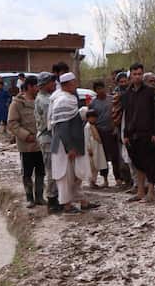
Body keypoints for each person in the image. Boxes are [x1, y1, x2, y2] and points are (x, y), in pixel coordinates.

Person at [120, 63, 155, 203]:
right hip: (134, 135)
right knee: (138, 163)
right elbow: (127, 115)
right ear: (131, 75)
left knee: (151, 164)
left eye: (140, 74)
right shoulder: (127, 94)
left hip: (149, 133)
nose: (137, 76)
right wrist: (126, 135)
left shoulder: (150, 91)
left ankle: (150, 192)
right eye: (135, 74)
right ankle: (140, 191)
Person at [48, 72, 93, 215]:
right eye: (73, 82)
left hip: (65, 142)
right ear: (66, 85)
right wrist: (70, 148)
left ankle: (82, 201)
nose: (76, 85)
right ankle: (67, 205)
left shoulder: (64, 97)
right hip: (63, 145)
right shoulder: (62, 100)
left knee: (76, 173)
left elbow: (71, 119)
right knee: (64, 175)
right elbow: (61, 126)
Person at [7, 75, 44, 207]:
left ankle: (39, 197)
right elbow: (12, 123)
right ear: (29, 87)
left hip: (41, 143)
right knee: (27, 172)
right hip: (26, 145)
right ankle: (30, 198)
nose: (38, 89)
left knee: (41, 171)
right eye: (36, 87)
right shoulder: (17, 103)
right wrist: (26, 135)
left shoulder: (40, 101)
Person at [88, 80, 125, 187]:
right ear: (95, 91)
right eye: (98, 89)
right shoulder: (93, 103)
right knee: (102, 157)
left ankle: (118, 178)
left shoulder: (111, 99)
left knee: (115, 156)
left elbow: (117, 113)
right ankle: (105, 179)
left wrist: (115, 127)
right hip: (100, 132)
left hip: (112, 130)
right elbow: (91, 120)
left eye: (102, 88)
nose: (101, 91)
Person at [34, 71, 59, 212]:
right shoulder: (45, 101)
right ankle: (52, 200)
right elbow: (50, 123)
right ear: (44, 84)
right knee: (52, 170)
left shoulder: (46, 98)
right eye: (51, 82)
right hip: (48, 138)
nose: (54, 84)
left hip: (47, 138)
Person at [83, 107, 109, 188]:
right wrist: (88, 148)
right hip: (92, 148)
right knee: (92, 166)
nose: (93, 119)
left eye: (94, 117)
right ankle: (91, 181)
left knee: (96, 165)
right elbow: (86, 138)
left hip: (97, 147)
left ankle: (94, 181)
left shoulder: (93, 126)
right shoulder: (87, 127)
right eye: (91, 117)